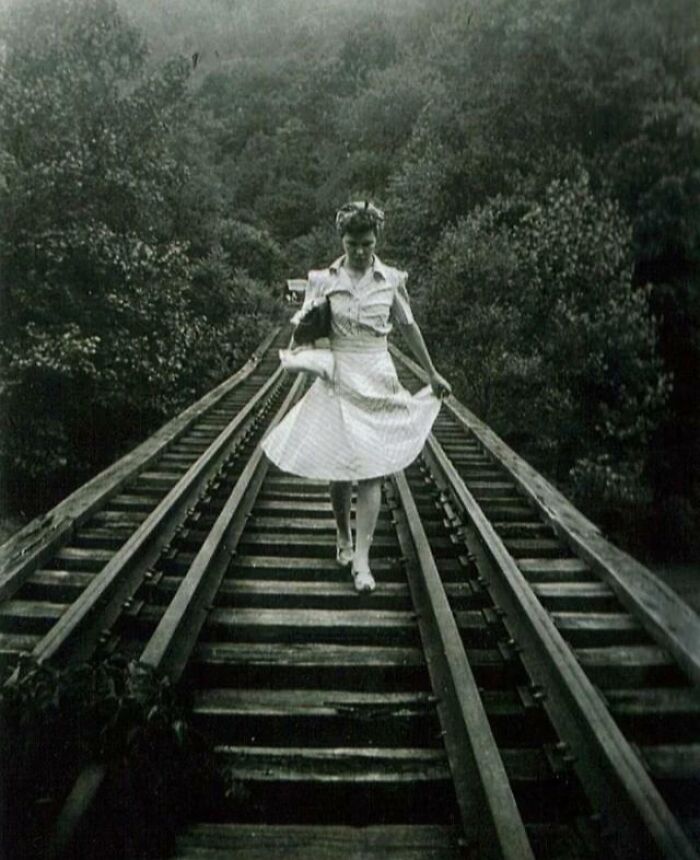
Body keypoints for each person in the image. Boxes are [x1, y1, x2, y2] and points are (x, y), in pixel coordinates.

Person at [261, 201, 451, 593]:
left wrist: (431, 373)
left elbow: (409, 328)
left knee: (371, 468)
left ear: (377, 239)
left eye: (367, 243)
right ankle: (342, 536)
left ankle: (362, 560)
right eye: (353, 243)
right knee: (339, 467)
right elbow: (303, 327)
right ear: (342, 240)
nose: (360, 251)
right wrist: (304, 344)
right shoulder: (324, 279)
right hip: (339, 378)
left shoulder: (391, 280)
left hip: (377, 375)